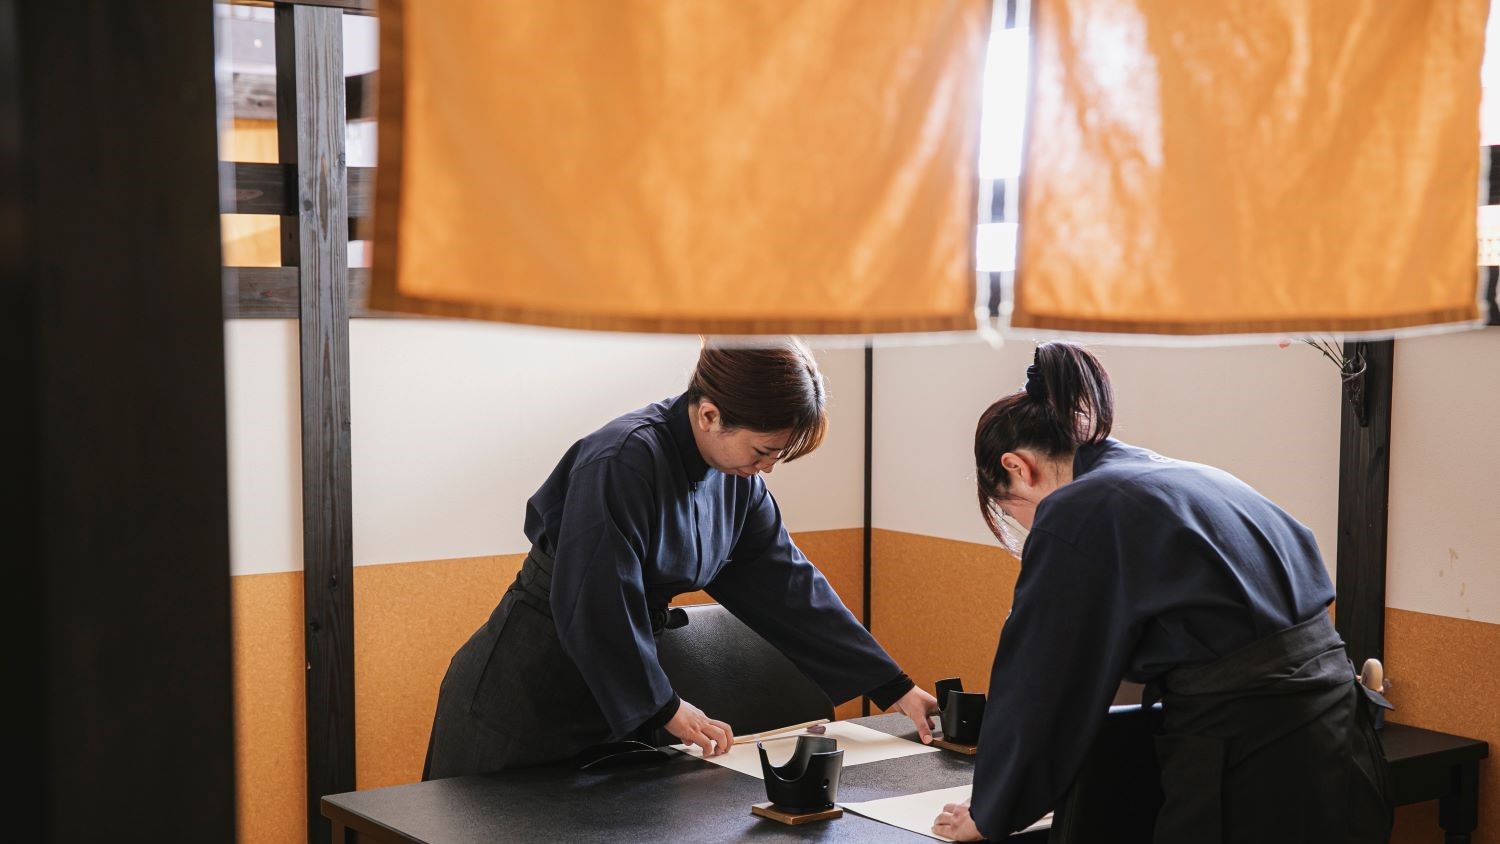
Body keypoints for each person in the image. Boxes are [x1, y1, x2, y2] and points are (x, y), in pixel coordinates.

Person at [932, 341, 1392, 843]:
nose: (1023, 524)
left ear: (1017, 467)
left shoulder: (1078, 509)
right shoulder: (1185, 476)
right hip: (1342, 733)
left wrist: (991, 809)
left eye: (1009, 510)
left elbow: (1040, 680)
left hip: (1251, 758)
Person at [424, 336, 938, 779]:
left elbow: (790, 588)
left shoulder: (739, 483)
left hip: (619, 695)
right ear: (710, 415)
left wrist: (894, 686)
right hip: (522, 695)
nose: (767, 468)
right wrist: (663, 705)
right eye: (763, 451)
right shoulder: (621, 459)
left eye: (777, 455)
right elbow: (597, 599)